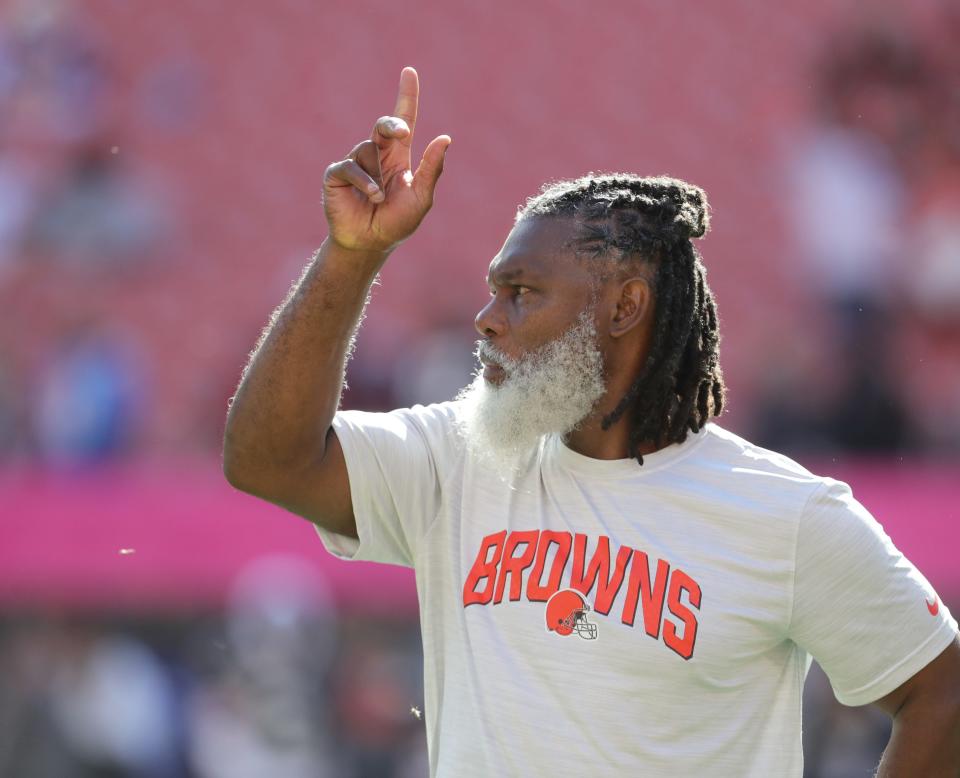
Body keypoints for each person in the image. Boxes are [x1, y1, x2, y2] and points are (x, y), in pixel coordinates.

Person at [222, 67, 960, 777]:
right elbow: (266, 459)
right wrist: (355, 254)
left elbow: (943, 693)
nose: (486, 320)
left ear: (623, 307)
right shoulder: (459, 457)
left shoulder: (788, 516)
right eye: (493, 292)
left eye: (521, 292)